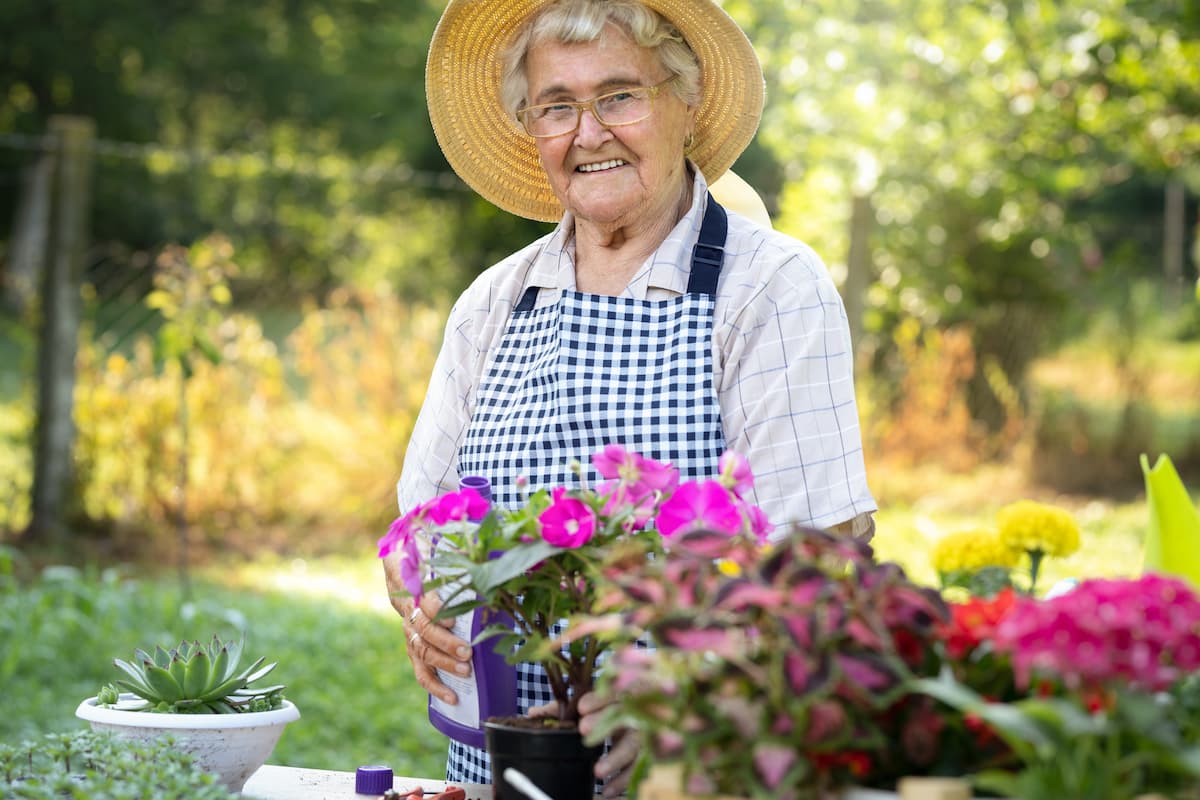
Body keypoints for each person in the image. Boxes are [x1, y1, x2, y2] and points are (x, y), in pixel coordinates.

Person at [383, 0, 878, 792]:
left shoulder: (771, 289)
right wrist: (425, 608)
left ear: (686, 102)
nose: (588, 134)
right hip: (502, 767)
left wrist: (687, 705)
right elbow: (423, 525)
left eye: (619, 95)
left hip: (702, 766)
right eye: (556, 106)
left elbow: (817, 556)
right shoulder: (494, 303)